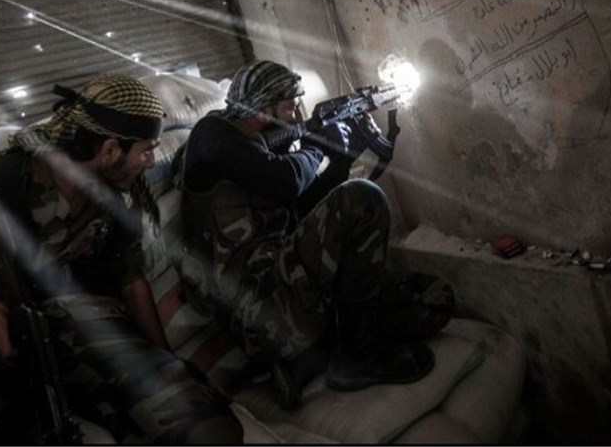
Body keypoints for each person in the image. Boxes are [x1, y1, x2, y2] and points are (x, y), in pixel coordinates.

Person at [0, 74, 244, 444]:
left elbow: (130, 279)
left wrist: (165, 361)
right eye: (145, 150)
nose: (150, 160)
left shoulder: (119, 195)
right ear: (109, 150)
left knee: (203, 427)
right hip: (4, 353)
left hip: (95, 345)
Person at [178, 60, 454, 408]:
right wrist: (317, 147)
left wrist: (341, 158)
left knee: (433, 299)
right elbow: (284, 182)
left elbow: (307, 210)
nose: (297, 117)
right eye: (291, 107)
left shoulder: (267, 152)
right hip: (257, 310)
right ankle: (357, 358)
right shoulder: (212, 135)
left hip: (296, 289)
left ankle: (316, 351)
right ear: (263, 107)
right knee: (363, 198)